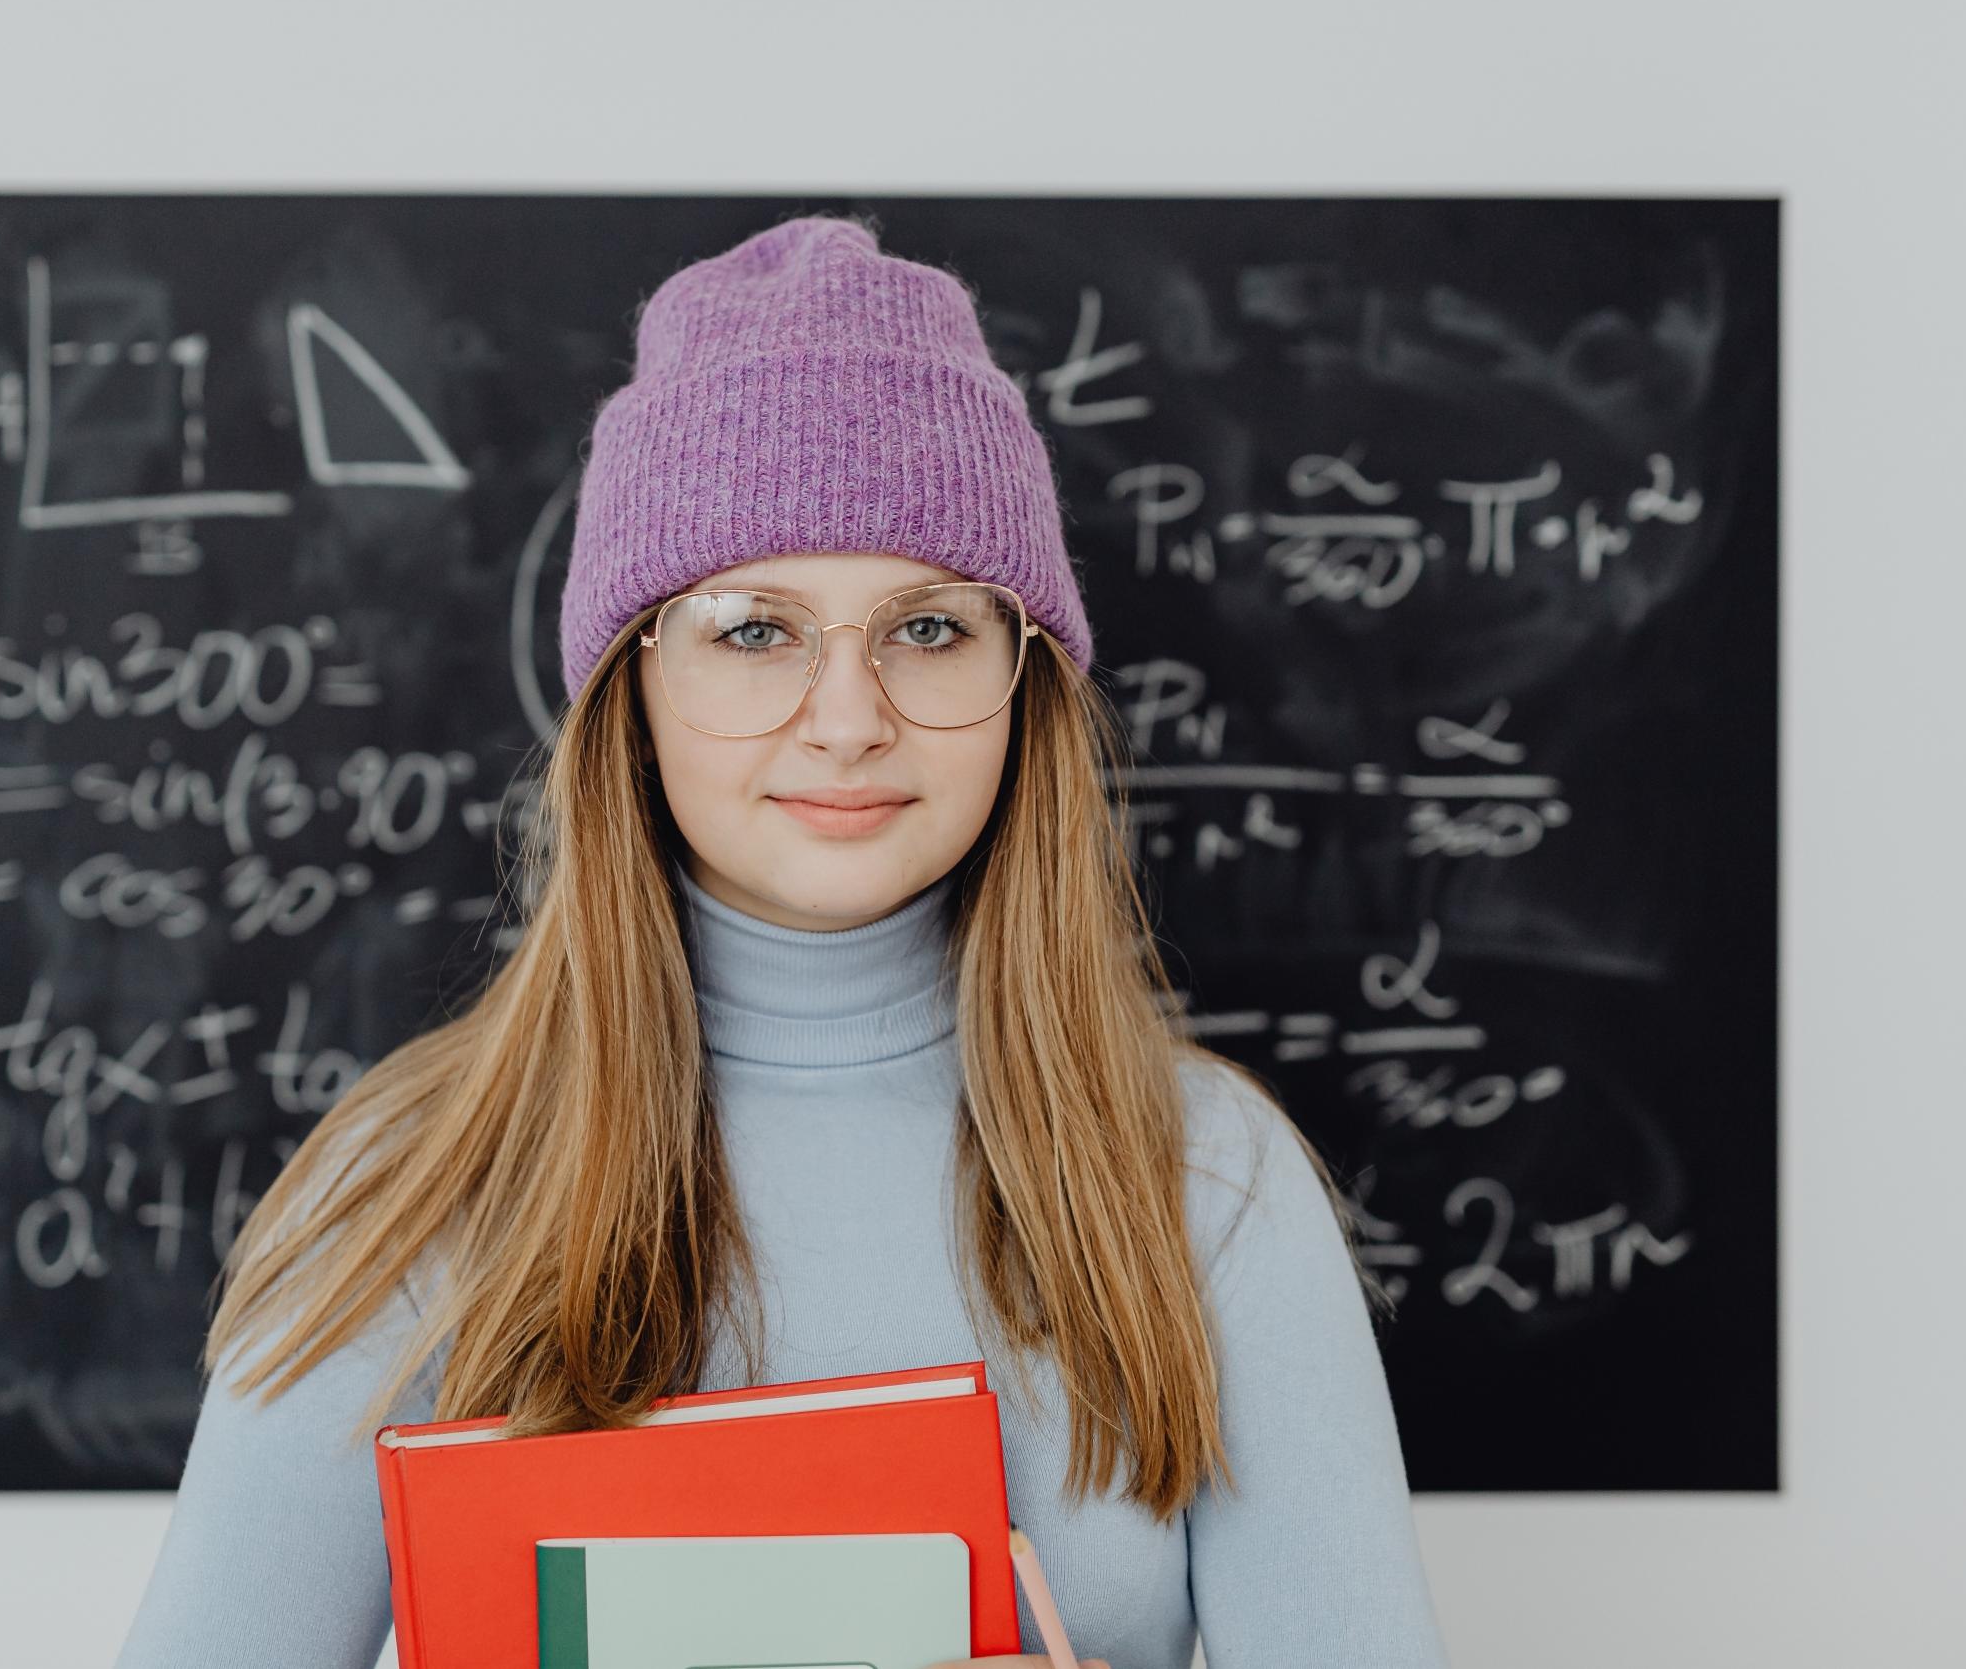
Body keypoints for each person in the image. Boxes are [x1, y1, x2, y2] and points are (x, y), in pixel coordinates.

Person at [112, 214, 1449, 1668]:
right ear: (633, 684)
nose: (848, 715)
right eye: (755, 631)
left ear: (1025, 683)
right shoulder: (406, 1190)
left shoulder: (1204, 1183)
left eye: (928, 628)